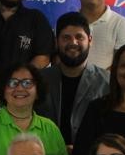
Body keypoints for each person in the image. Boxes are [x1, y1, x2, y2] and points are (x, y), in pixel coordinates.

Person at [37, 11, 109, 145]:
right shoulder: (39, 80)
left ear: (90, 40)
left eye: (79, 37)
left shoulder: (107, 83)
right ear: (56, 42)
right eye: (66, 38)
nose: (73, 43)